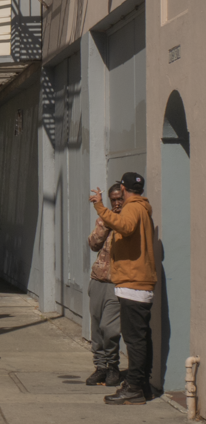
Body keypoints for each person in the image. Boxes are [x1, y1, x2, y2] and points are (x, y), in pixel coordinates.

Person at [90, 172, 156, 405]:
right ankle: (142, 385)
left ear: (125, 190)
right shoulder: (142, 207)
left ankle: (134, 388)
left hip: (132, 285)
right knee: (141, 338)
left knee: (134, 339)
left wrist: (100, 207)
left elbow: (125, 227)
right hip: (138, 284)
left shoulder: (132, 208)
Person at [86, 184, 125, 387]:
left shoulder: (128, 220)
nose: (117, 203)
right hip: (98, 279)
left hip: (116, 283)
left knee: (109, 328)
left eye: (120, 199)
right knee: (96, 328)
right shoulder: (106, 218)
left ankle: (113, 366)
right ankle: (100, 367)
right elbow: (93, 244)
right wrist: (105, 223)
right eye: (113, 200)